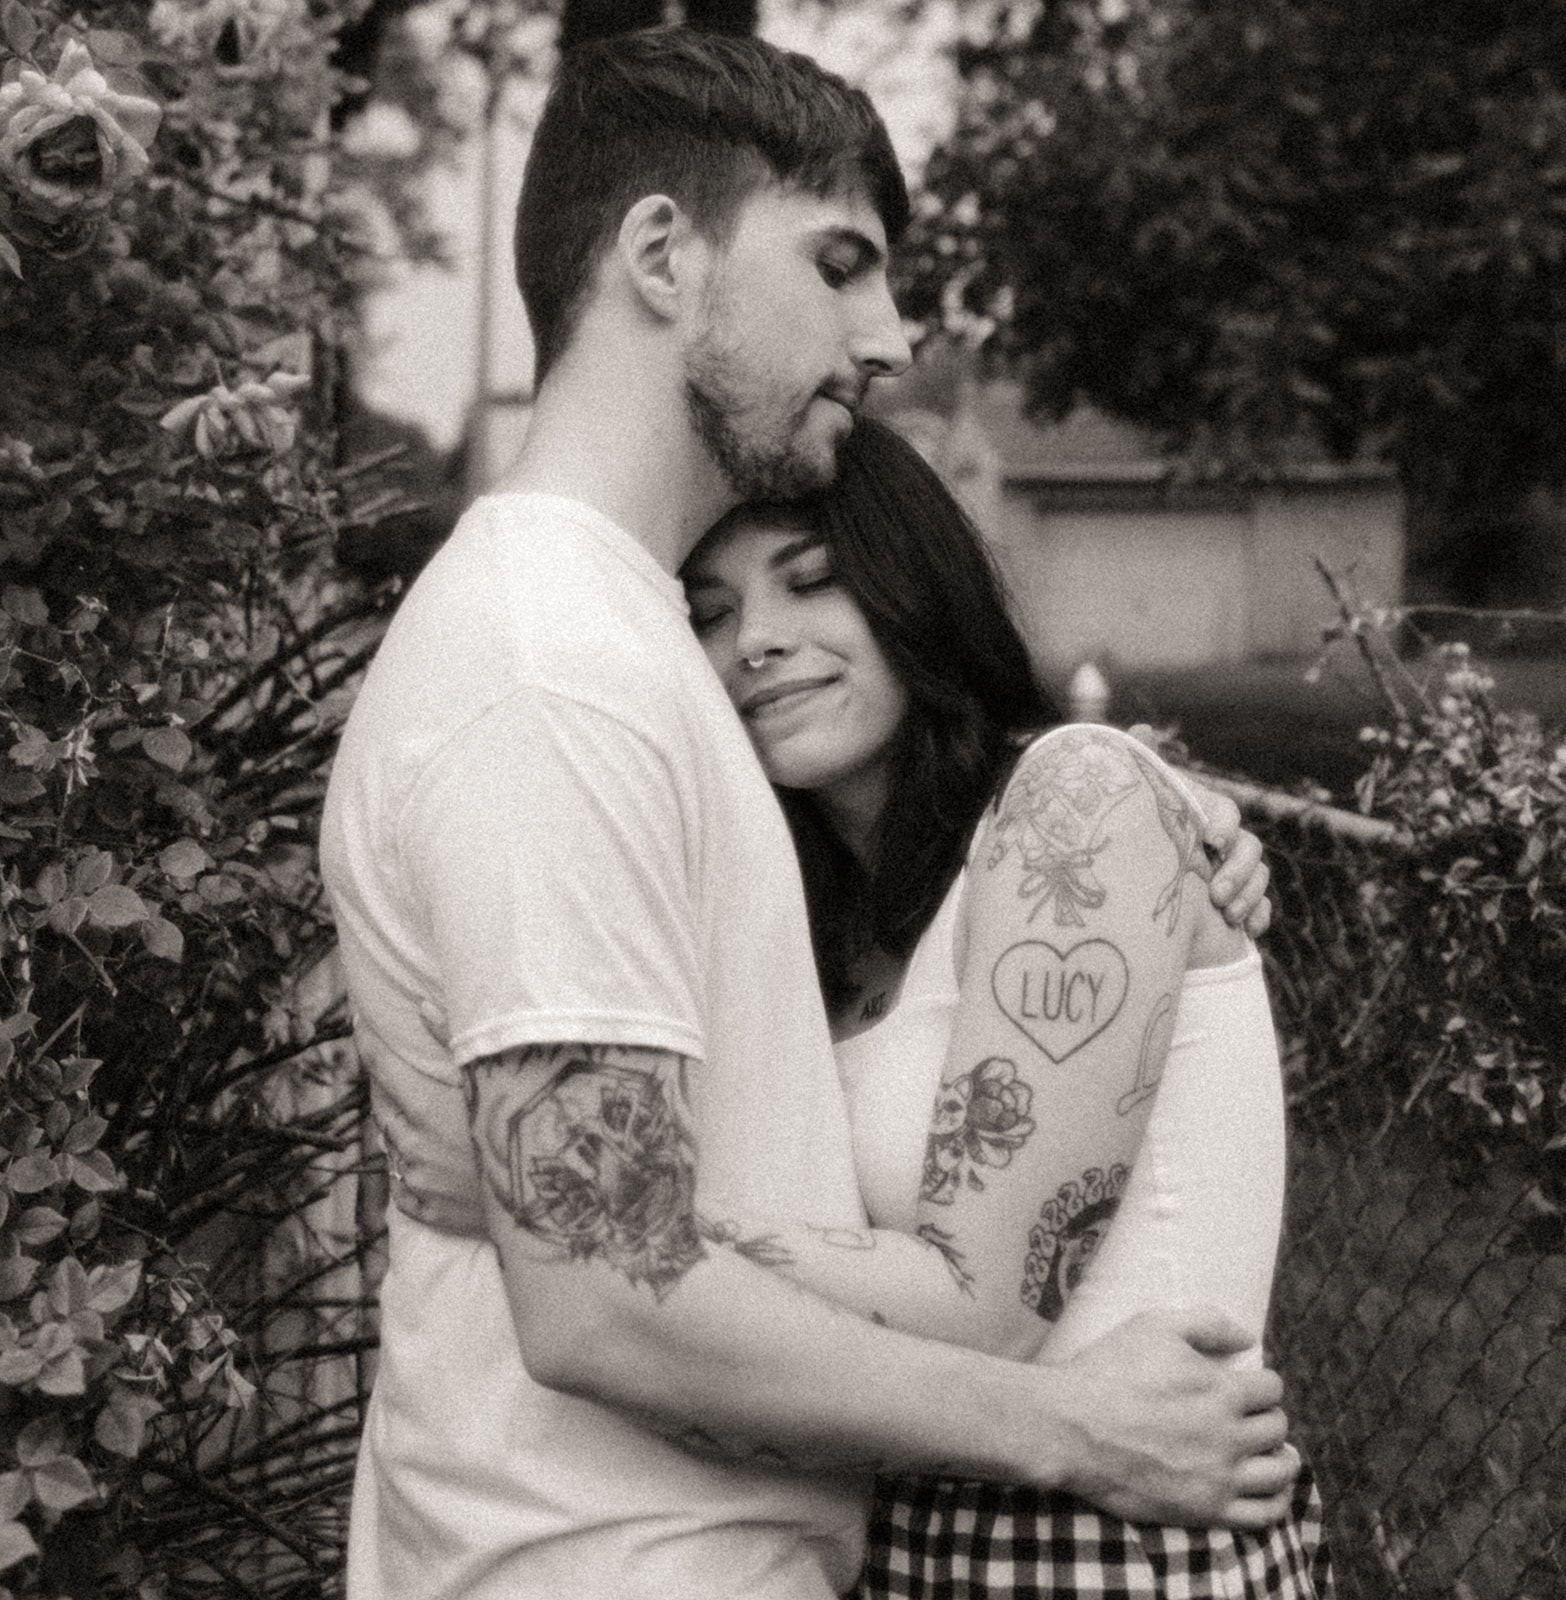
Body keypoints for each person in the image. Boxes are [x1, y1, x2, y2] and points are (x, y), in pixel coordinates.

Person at [320, 27, 1298, 1600]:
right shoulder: (553, 672)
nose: (891, 332)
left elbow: (612, 1228)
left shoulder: (621, 653)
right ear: (661, 253)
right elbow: (603, 1298)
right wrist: (1064, 1427)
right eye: (840, 263)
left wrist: (1127, 808)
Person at [681, 414, 1332, 1597]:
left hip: (1122, 1541)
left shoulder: (1074, 805)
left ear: (910, 586)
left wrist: (619, 1221)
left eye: (810, 582)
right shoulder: (815, 921)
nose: (756, 645)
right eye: (711, 613)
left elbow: (983, 1308)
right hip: (914, 1529)